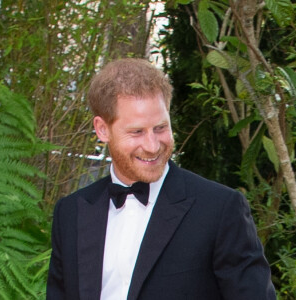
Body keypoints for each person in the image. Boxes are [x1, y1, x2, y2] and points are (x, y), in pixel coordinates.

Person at [46, 58, 276, 300]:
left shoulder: (220, 209)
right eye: (137, 132)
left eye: (160, 128)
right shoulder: (70, 212)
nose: (152, 146)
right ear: (102, 129)